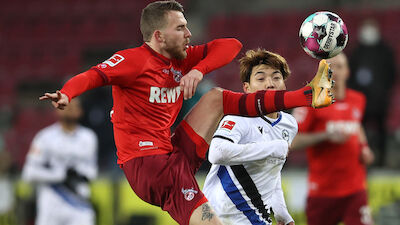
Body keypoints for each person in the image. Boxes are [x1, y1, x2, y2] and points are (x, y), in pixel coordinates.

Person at [39, 1, 333, 224]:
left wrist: (198, 69)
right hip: (149, 167)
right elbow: (93, 75)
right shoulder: (133, 61)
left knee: (216, 97)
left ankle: (309, 95)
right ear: (158, 35)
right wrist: (67, 92)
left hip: (171, 153)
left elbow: (231, 45)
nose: (188, 33)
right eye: (180, 28)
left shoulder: (182, 59)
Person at [203, 49, 296, 225]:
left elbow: (271, 171)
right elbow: (216, 153)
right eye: (261, 79)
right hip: (218, 217)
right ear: (247, 88)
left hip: (254, 218)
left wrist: (282, 212)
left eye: (276, 77)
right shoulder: (238, 117)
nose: (270, 84)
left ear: (284, 85)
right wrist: (274, 147)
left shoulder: (290, 124)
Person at [291, 53, 374, 225]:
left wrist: (364, 147)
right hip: (322, 192)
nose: (334, 71)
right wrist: (325, 136)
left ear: (348, 72)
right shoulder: (311, 102)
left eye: (340, 66)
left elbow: (356, 125)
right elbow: (292, 141)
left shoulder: (358, 99)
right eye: (330, 68)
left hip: (355, 189)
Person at [22, 98, 98, 225]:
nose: (71, 109)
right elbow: (29, 173)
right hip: (51, 202)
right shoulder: (44, 137)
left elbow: (92, 172)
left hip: (79, 202)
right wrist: (60, 175)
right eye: (67, 106)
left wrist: (78, 174)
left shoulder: (88, 137)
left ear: (81, 111)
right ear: (57, 111)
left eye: (75, 106)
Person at [348, 18, 396, 167]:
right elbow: (349, 75)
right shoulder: (356, 52)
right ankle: (359, 159)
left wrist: (383, 91)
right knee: (358, 131)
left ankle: (381, 160)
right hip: (360, 100)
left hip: (379, 100)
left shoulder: (386, 51)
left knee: (381, 130)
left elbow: (392, 74)